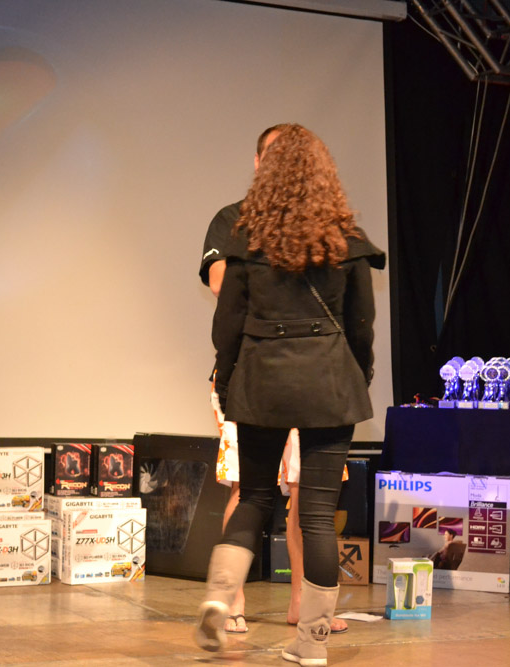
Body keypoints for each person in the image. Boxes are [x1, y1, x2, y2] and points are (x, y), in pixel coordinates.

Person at [194, 124, 384, 666]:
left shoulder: (245, 242)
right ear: (323, 173)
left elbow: (227, 327)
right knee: (318, 516)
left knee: (255, 499)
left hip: (262, 384)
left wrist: (228, 384)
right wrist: (358, 376)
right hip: (329, 386)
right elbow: (362, 327)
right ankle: (312, 644)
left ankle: (218, 600)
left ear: (266, 171)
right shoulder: (347, 242)